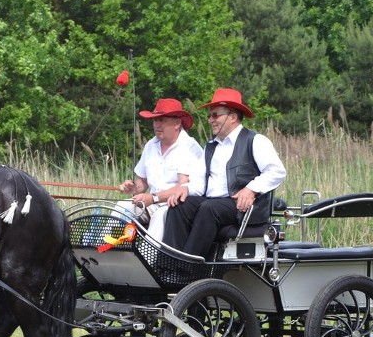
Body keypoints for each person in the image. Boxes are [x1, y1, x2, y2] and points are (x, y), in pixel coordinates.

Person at [163, 88, 286, 257]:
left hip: (241, 205)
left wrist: (251, 189)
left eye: (215, 115)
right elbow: (199, 182)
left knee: (209, 209)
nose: (210, 120)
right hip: (213, 203)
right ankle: (169, 261)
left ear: (233, 117)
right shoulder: (211, 146)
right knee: (179, 206)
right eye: (209, 116)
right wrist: (186, 188)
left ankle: (189, 265)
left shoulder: (255, 140)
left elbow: (277, 171)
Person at [116, 98, 203, 241]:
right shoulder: (151, 145)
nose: (157, 125)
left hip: (177, 206)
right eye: (155, 120)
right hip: (152, 203)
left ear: (177, 123)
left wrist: (153, 198)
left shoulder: (190, 147)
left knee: (160, 216)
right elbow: (142, 182)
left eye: (162, 120)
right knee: (121, 207)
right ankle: (106, 250)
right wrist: (132, 188)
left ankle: (147, 260)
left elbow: (183, 186)